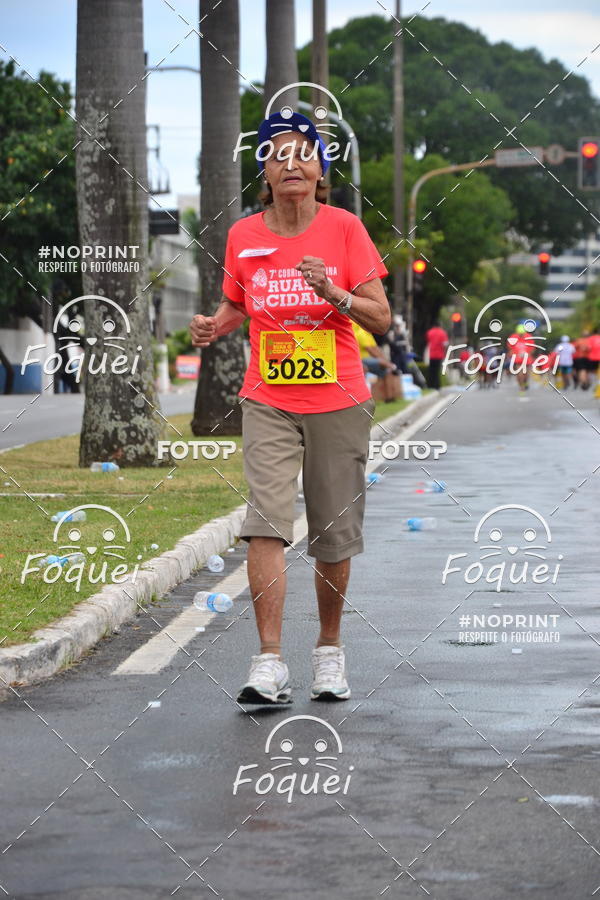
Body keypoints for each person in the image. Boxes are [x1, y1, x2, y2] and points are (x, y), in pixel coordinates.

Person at [189, 111, 390, 705]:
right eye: (279, 154)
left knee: (332, 530)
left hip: (338, 398)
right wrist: (212, 326)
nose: (291, 163)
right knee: (266, 522)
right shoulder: (244, 236)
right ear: (266, 172)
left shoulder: (346, 229)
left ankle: (329, 652)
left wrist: (334, 292)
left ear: (322, 170)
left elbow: (381, 316)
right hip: (269, 398)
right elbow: (237, 305)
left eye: (304, 153)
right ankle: (268, 662)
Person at [352, 320, 398, 401]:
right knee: (383, 363)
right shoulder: (361, 334)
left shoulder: (368, 334)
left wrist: (385, 360)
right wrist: (385, 362)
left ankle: (390, 398)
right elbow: (371, 351)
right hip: (362, 360)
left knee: (387, 372)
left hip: (369, 360)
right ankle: (393, 367)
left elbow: (376, 349)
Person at [425, 321, 448, 389]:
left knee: (431, 370)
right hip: (439, 355)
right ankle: (437, 385)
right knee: (437, 370)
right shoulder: (442, 333)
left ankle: (430, 385)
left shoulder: (430, 332)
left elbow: (428, 341)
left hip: (431, 354)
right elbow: (445, 344)